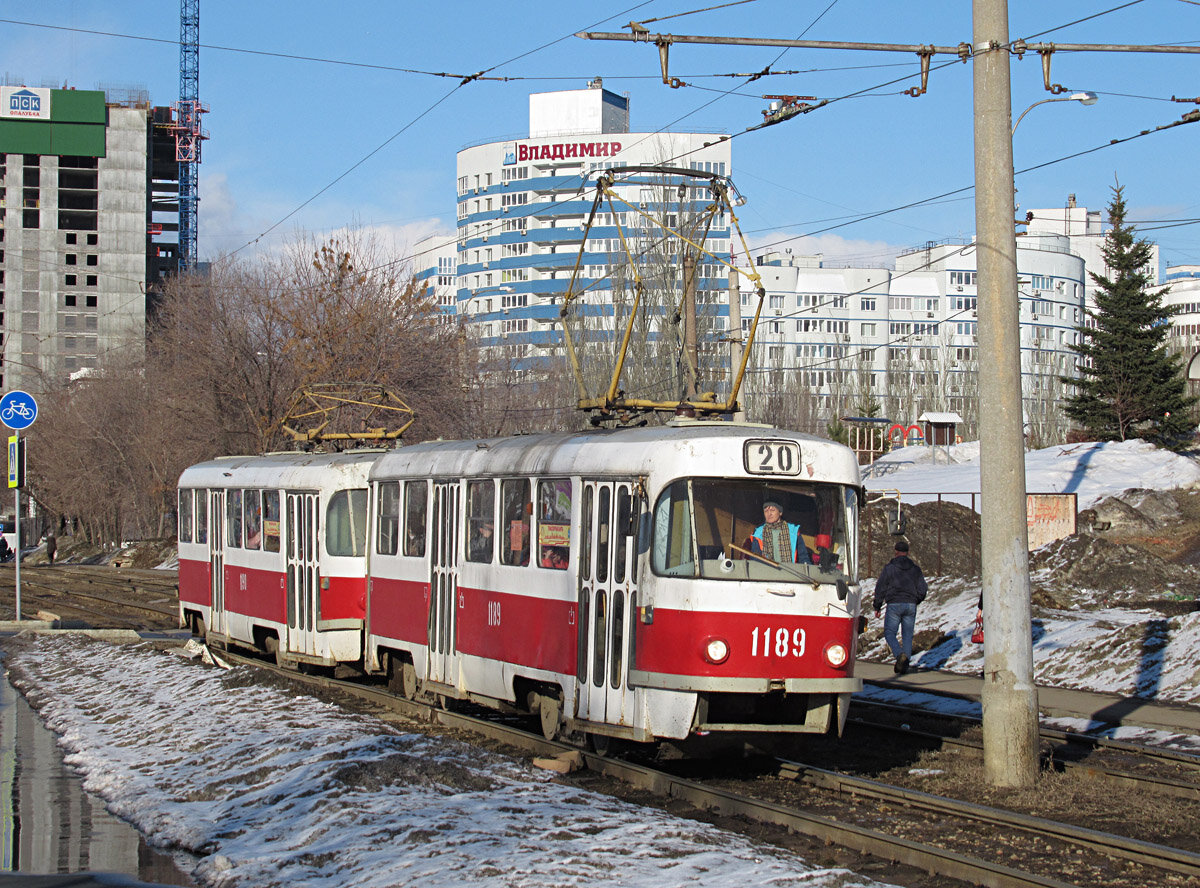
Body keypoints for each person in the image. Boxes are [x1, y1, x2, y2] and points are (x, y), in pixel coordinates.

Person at [872, 539, 927, 675]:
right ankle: (905, 664)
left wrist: (877, 606)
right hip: (910, 604)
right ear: (907, 553)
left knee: (889, 633)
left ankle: (899, 655)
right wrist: (915, 600)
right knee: (907, 635)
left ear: (896, 552)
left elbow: (881, 587)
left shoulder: (889, 568)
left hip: (894, 604)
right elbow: (923, 589)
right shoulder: (915, 569)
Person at [749, 499, 814, 564]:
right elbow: (755, 559)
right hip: (767, 571)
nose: (769, 514)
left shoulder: (793, 531)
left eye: (772, 510)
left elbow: (803, 557)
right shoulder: (758, 533)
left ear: (780, 512)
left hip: (789, 571)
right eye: (766, 511)